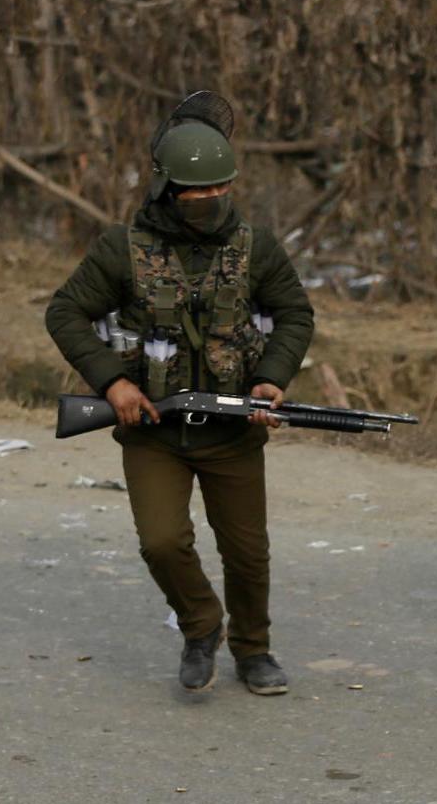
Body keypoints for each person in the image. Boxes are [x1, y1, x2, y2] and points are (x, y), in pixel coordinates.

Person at [46, 93, 315, 696]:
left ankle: (254, 651)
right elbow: (66, 312)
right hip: (153, 429)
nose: (207, 200)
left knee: (248, 552)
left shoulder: (256, 247)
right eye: (194, 191)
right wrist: (112, 383)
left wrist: (272, 377)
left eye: (218, 188)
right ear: (166, 189)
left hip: (232, 430)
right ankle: (201, 627)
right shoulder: (121, 248)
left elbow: (294, 313)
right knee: (162, 541)